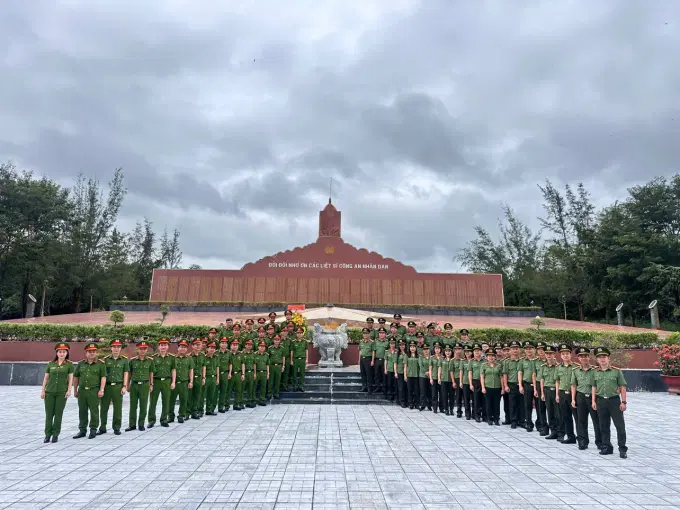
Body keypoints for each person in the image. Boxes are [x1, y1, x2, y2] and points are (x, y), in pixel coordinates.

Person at [592, 347, 628, 458]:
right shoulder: (595, 372)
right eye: (600, 357)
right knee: (603, 426)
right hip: (601, 401)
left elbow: (622, 386)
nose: (602, 359)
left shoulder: (616, 371)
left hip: (614, 401)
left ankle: (622, 448)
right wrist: (593, 401)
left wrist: (624, 402)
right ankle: (606, 447)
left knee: (620, 426)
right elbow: (594, 387)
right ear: (597, 359)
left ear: (608, 358)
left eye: (604, 357)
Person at [570, 347, 602, 450]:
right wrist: (573, 399)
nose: (584, 358)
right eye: (581, 356)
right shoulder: (575, 370)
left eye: (586, 356)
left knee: (596, 421)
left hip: (593, 397)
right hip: (580, 397)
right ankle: (583, 441)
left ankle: (600, 442)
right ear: (578, 358)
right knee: (581, 421)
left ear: (589, 357)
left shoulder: (595, 370)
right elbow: (573, 385)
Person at [73, 342, 107, 439]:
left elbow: (103, 377)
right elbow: (76, 377)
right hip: (82, 391)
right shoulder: (81, 364)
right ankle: (82, 430)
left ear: (96, 353)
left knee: (94, 411)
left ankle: (93, 429)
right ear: (86, 353)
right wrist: (75, 390)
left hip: (94, 391)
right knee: (82, 411)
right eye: (90, 351)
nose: (92, 353)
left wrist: (101, 390)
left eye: (94, 351)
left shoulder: (100, 364)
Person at [41, 342, 74, 443]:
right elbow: (46, 378)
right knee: (49, 414)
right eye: (60, 352)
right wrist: (43, 390)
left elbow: (70, 378)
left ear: (67, 353)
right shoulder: (51, 364)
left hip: (61, 392)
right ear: (56, 353)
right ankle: (47, 434)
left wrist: (69, 390)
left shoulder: (69, 364)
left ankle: (55, 434)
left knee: (58, 414)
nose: (62, 354)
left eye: (64, 352)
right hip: (49, 392)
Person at [99, 339, 129, 435]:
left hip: (118, 386)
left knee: (117, 408)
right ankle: (102, 427)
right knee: (104, 408)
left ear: (120, 348)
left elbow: (125, 373)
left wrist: (124, 386)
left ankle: (116, 427)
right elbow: (102, 375)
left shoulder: (124, 360)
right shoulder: (106, 360)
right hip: (107, 387)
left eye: (118, 347)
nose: (116, 349)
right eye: (114, 347)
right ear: (111, 348)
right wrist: (101, 388)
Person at [126, 340, 155, 432]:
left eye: (144, 349)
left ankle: (141, 424)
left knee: (143, 405)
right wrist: (127, 384)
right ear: (137, 349)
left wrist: (151, 384)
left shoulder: (150, 361)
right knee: (133, 406)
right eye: (141, 349)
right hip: (134, 385)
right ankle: (132, 425)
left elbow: (151, 373)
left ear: (147, 350)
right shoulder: (132, 361)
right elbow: (129, 373)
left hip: (144, 385)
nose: (142, 351)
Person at [147, 338, 176, 428]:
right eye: (161, 345)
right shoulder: (153, 358)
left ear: (168, 347)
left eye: (165, 345)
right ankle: (151, 420)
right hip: (156, 381)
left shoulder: (172, 358)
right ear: (159, 347)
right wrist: (151, 383)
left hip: (167, 381)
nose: (163, 347)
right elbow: (150, 372)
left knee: (166, 401)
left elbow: (173, 370)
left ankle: (164, 420)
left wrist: (173, 382)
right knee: (153, 402)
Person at [555, 343, 577, 444]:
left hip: (574, 394)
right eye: (563, 354)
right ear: (560, 355)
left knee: (577, 417)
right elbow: (557, 381)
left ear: (570, 354)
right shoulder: (558, 367)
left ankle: (581, 437)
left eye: (567, 353)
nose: (565, 356)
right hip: (562, 393)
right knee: (566, 416)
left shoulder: (576, 367)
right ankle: (570, 436)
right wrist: (557, 394)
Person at [169, 339, 194, 423]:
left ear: (187, 349)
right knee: (171, 400)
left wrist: (191, 381)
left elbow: (191, 370)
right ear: (178, 348)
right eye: (181, 347)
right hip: (174, 383)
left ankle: (181, 415)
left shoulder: (189, 359)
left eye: (185, 347)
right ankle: (170, 416)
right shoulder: (172, 358)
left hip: (184, 383)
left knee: (183, 400)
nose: (183, 349)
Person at [540, 345, 561, 440]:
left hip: (555, 391)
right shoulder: (543, 366)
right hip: (547, 390)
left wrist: (557, 394)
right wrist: (542, 393)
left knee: (558, 413)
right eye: (547, 353)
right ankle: (553, 431)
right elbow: (542, 380)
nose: (549, 355)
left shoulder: (558, 366)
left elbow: (559, 380)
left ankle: (560, 433)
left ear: (554, 354)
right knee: (550, 412)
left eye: (551, 353)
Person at [518, 341, 539, 433]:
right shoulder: (522, 360)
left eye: (530, 348)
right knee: (527, 405)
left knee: (539, 406)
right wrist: (520, 385)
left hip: (537, 385)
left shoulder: (538, 360)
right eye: (526, 349)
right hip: (527, 384)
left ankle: (540, 424)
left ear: (534, 349)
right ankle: (529, 424)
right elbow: (520, 373)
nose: (528, 350)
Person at [502, 340, 523, 429]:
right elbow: (505, 374)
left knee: (521, 403)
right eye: (513, 349)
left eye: (517, 348)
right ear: (510, 350)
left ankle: (521, 421)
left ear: (519, 350)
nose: (515, 350)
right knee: (512, 404)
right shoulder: (506, 362)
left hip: (522, 385)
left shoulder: (523, 360)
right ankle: (513, 421)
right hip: (512, 385)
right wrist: (505, 385)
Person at [480, 349, 503, 426]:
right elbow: (482, 377)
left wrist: (502, 388)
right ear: (486, 357)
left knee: (497, 404)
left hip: (497, 387)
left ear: (495, 357)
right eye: (489, 356)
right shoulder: (483, 365)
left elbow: (501, 377)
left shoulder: (499, 366)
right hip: (488, 387)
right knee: (488, 404)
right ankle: (489, 418)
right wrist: (483, 387)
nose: (491, 357)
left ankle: (496, 419)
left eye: (493, 356)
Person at [189, 339, 205, 419]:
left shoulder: (202, 355)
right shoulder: (189, 356)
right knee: (189, 396)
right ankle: (187, 412)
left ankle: (194, 412)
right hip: (190, 379)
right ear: (192, 346)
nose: (198, 346)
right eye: (196, 344)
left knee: (197, 395)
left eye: (199, 345)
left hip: (199, 378)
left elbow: (203, 367)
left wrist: (203, 377)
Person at [468, 344, 485, 422]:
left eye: (478, 350)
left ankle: (484, 415)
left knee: (484, 399)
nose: (477, 352)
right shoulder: (471, 361)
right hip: (475, 382)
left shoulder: (485, 361)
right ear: (473, 352)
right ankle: (476, 415)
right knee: (476, 399)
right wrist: (470, 384)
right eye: (475, 351)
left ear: (481, 352)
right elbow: (470, 373)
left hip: (484, 382)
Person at [535, 341, 548, 434]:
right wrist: (535, 389)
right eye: (538, 349)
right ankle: (543, 426)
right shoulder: (535, 361)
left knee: (552, 409)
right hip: (539, 384)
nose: (540, 351)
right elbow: (534, 375)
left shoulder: (553, 361)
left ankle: (554, 427)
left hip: (549, 385)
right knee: (541, 407)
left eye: (542, 349)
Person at [228, 339, 245, 411]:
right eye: (233, 345)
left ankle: (236, 404)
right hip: (230, 374)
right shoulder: (228, 354)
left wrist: (243, 374)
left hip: (238, 374)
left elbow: (243, 364)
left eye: (236, 345)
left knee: (238, 390)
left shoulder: (241, 354)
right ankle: (226, 405)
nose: (235, 346)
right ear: (230, 346)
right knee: (228, 390)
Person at [203, 341, 220, 415]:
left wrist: (217, 378)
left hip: (213, 378)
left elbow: (217, 368)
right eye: (210, 348)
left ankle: (209, 410)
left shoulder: (216, 357)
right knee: (202, 395)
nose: (212, 349)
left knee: (211, 395)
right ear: (207, 349)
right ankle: (200, 410)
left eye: (213, 348)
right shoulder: (204, 357)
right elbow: (203, 368)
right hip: (207, 378)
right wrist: (203, 378)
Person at [267, 334, 286, 400]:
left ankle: (276, 394)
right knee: (270, 381)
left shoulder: (282, 348)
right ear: (273, 340)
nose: (277, 341)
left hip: (279, 366)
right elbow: (267, 358)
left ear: (280, 340)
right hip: (271, 366)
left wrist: (283, 366)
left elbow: (283, 357)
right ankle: (269, 394)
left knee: (277, 381)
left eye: (278, 340)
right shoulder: (270, 348)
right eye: (275, 340)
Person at [291, 328, 309, 392]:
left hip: (302, 359)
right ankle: (295, 386)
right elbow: (292, 351)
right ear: (296, 334)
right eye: (298, 333)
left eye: (300, 333)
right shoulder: (293, 342)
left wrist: (307, 359)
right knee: (294, 373)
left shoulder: (305, 342)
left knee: (302, 373)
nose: (299, 334)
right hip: (295, 359)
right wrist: (291, 360)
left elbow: (306, 351)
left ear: (302, 334)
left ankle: (301, 386)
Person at [372, 327, 389, 395]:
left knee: (384, 375)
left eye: (383, 333)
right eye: (380, 333)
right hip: (377, 360)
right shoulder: (375, 341)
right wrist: (372, 360)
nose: (381, 334)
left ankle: (384, 388)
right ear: (378, 334)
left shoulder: (387, 342)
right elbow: (374, 351)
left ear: (385, 334)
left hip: (384, 360)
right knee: (376, 374)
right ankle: (377, 387)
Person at [440, 345, 456, 415]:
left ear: (451, 352)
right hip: (444, 380)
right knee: (444, 395)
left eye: (449, 351)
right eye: (446, 351)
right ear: (444, 352)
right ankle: (446, 409)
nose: (448, 352)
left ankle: (451, 409)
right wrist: (439, 378)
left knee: (452, 396)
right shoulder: (442, 359)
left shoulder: (454, 360)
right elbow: (440, 369)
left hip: (451, 380)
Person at [417, 339, 432, 411]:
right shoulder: (420, 357)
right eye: (424, 349)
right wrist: (426, 372)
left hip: (430, 376)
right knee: (423, 391)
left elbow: (432, 366)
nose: (426, 351)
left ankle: (429, 405)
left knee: (429, 391)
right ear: (422, 350)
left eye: (427, 349)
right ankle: (422, 405)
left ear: (429, 350)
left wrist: (429, 372)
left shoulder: (432, 357)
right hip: (422, 376)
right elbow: (420, 366)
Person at [254, 340, 270, 406]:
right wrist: (254, 373)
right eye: (260, 346)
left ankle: (262, 400)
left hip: (264, 372)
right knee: (254, 386)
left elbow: (267, 364)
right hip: (257, 372)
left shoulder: (266, 355)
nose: (262, 348)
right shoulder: (255, 354)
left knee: (263, 387)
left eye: (263, 346)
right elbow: (254, 364)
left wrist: (268, 373)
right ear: (258, 347)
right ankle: (253, 400)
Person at [217, 338, 231, 412]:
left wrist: (229, 373)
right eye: (222, 343)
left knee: (224, 391)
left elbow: (230, 363)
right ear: (219, 344)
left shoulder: (229, 353)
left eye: (225, 343)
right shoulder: (216, 352)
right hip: (216, 374)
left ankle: (221, 406)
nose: (224, 344)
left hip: (225, 373)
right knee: (215, 392)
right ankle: (211, 408)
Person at [358, 328, 374, 393]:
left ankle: (369, 388)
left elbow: (373, 352)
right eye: (364, 333)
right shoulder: (361, 342)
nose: (365, 335)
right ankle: (364, 387)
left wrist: (372, 360)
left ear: (369, 334)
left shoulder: (372, 342)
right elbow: (360, 351)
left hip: (368, 359)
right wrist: (359, 359)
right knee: (363, 373)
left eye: (366, 333)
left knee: (368, 374)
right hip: (362, 359)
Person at [404, 341, 419, 409]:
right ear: (409, 348)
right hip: (409, 375)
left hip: (416, 375)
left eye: (414, 347)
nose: (412, 348)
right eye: (411, 347)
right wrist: (405, 375)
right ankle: (410, 403)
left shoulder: (418, 356)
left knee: (416, 390)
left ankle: (416, 403)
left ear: (416, 348)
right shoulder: (406, 356)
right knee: (409, 390)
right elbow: (405, 366)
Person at [242, 339, 257, 407]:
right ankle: (241, 402)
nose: (249, 346)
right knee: (241, 388)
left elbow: (254, 364)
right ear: (245, 345)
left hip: (251, 372)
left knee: (250, 388)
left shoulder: (253, 354)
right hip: (244, 372)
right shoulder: (241, 353)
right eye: (248, 345)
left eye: (250, 345)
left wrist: (255, 373)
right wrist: (242, 374)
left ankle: (249, 401)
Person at [461, 345, 474, 419]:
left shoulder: (474, 360)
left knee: (474, 399)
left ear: (471, 352)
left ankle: (474, 414)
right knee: (466, 399)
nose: (467, 353)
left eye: (468, 351)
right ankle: (467, 414)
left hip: (474, 382)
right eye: (466, 352)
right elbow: (461, 372)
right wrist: (460, 382)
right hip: (465, 381)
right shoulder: (463, 361)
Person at [396, 340, 408, 408]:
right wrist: (396, 372)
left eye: (403, 345)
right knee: (401, 387)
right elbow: (395, 363)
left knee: (406, 387)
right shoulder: (397, 353)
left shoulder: (407, 353)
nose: (402, 346)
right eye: (400, 345)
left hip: (407, 372)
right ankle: (401, 401)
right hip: (400, 372)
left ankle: (406, 400)